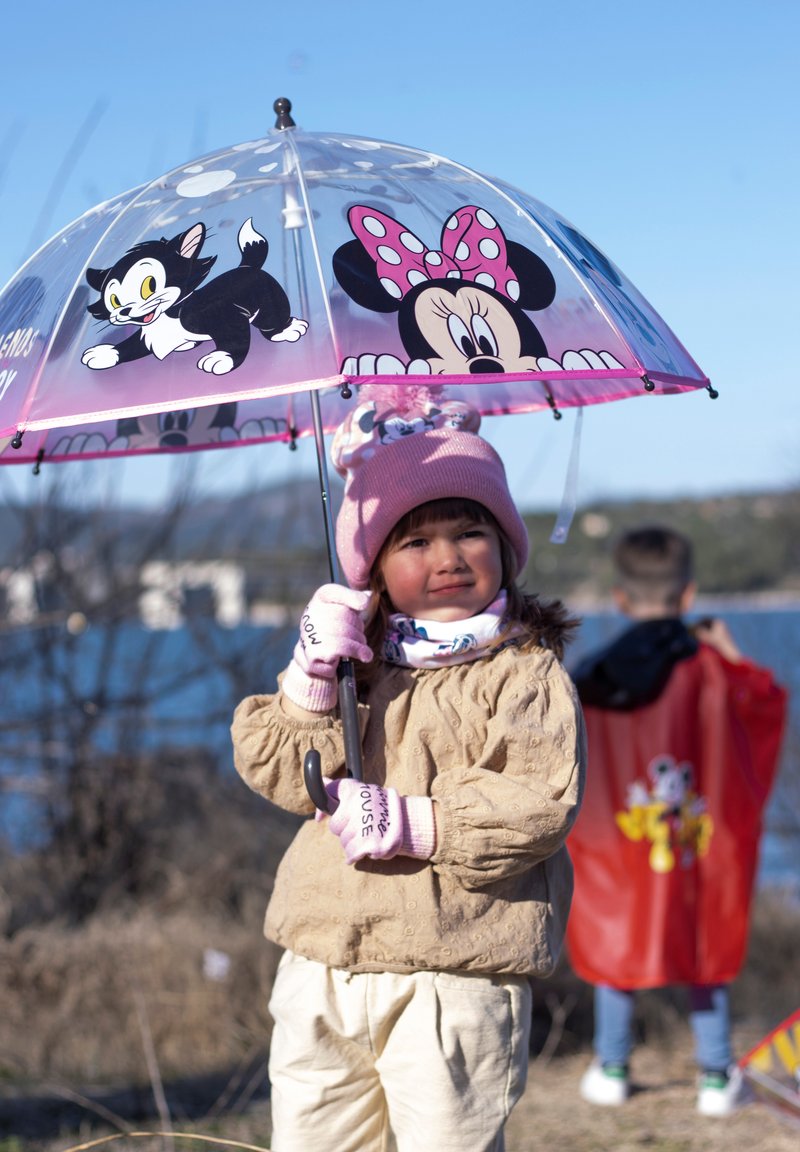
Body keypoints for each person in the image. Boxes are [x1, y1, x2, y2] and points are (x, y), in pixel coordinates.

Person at [231, 386, 587, 1152]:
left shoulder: (523, 673)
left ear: (505, 545)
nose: (448, 557)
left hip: (453, 969)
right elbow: (284, 775)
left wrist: (412, 823)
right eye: (415, 542)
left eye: (470, 531)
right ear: (374, 569)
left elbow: (539, 801)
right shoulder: (354, 665)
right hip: (324, 960)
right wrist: (311, 677)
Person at [565, 525, 788, 1118]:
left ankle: (612, 1067)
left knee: (617, 945)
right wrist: (733, 655)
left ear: (620, 597)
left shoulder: (591, 678)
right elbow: (764, 707)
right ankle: (716, 1076)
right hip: (696, 848)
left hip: (620, 852)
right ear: (688, 594)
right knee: (704, 946)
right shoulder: (713, 671)